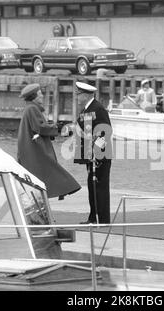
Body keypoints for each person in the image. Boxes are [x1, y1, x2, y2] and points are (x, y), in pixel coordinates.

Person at [17, 83, 81, 199]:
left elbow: (37, 129)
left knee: (41, 177)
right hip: (35, 152)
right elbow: (40, 127)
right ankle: (67, 187)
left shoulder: (30, 108)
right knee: (50, 172)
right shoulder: (32, 109)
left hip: (31, 150)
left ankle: (44, 208)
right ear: (34, 96)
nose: (42, 96)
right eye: (40, 93)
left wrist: (55, 129)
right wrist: (58, 128)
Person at [73, 81, 112, 224]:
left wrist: (97, 151)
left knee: (100, 187)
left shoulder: (98, 109)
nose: (77, 97)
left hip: (100, 155)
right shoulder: (86, 109)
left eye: (79, 94)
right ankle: (93, 217)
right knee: (92, 186)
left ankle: (103, 219)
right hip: (91, 155)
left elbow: (106, 131)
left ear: (86, 95)